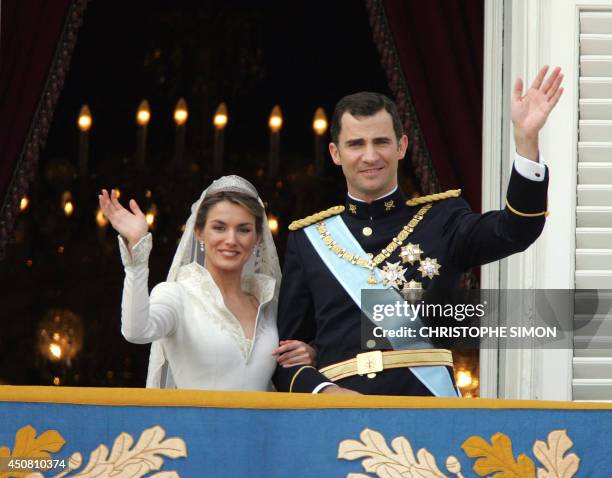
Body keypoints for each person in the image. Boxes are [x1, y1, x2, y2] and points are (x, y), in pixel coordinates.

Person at [273, 65, 563, 396]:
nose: (370, 156)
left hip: (426, 410)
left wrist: (526, 142)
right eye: (356, 144)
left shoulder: (443, 219)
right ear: (336, 154)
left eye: (381, 141)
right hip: (339, 417)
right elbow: (287, 359)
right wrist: (324, 390)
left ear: (402, 146)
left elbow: (517, 229)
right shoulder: (309, 240)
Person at [99, 175, 315, 390]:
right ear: (199, 232)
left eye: (243, 229)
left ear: (258, 237)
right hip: (194, 424)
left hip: (261, 424)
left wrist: (309, 354)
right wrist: (136, 260)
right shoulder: (176, 295)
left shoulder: (269, 301)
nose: (231, 239)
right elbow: (136, 331)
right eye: (219, 228)